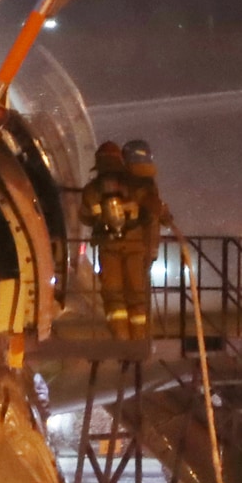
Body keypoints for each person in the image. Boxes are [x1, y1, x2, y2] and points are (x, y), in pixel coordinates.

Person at [79, 139, 173, 340]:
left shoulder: (92, 190)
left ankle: (122, 341)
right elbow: (153, 207)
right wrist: (166, 217)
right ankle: (138, 341)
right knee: (137, 297)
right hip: (135, 245)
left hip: (108, 247)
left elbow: (85, 217)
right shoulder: (134, 184)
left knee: (114, 298)